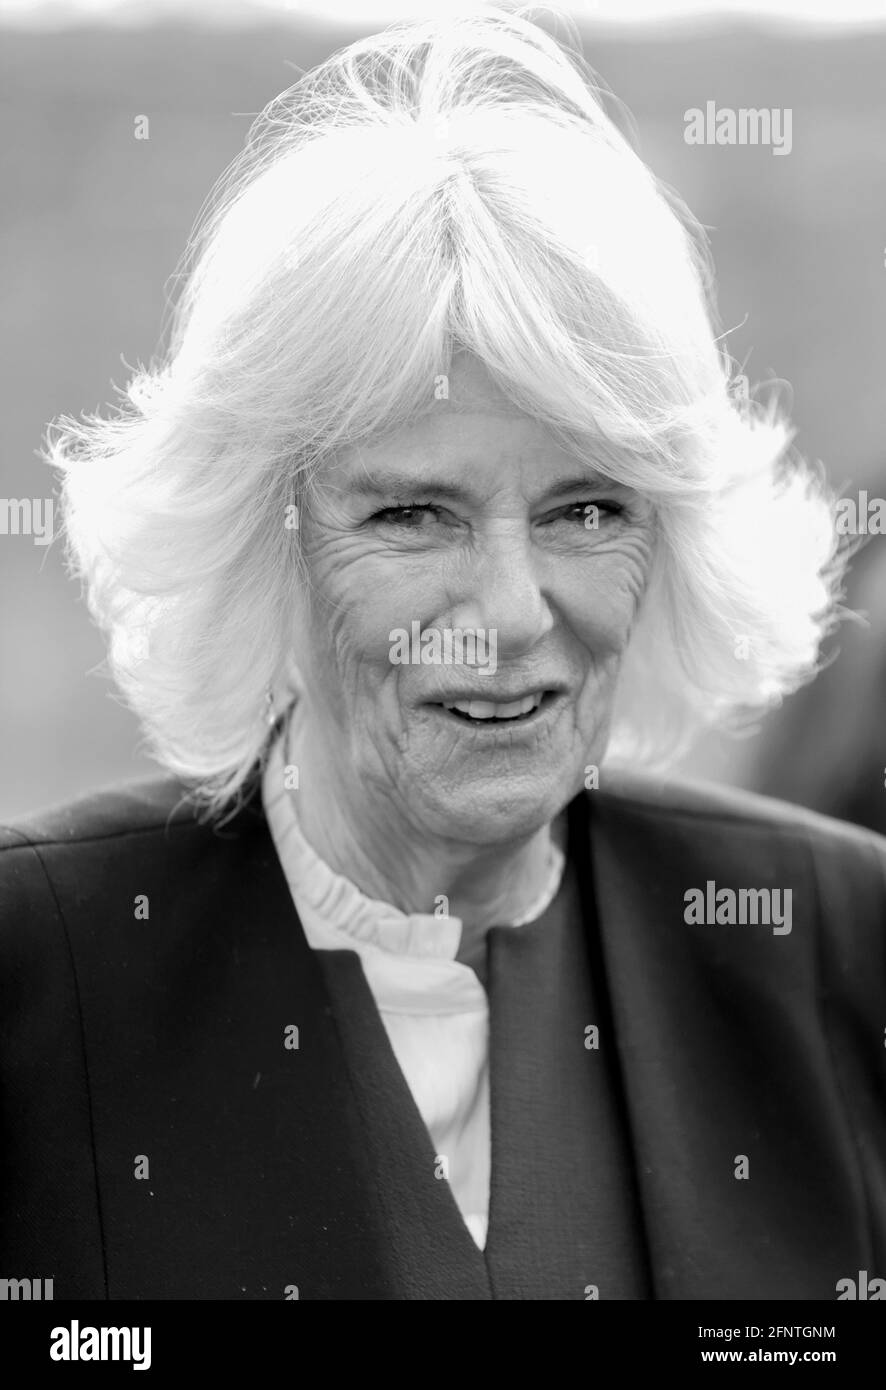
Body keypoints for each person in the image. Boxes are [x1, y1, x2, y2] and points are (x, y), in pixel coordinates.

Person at [2, 9, 884, 1301]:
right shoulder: (35, 974)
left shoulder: (835, 947)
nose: (510, 610)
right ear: (266, 535)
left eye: (587, 509)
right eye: (414, 512)